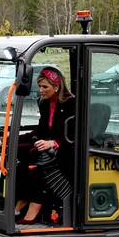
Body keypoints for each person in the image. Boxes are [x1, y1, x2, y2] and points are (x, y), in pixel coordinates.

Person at [15, 67, 75, 225]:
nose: (40, 90)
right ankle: (21, 200)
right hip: (47, 148)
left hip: (67, 150)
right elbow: (40, 130)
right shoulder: (44, 103)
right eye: (39, 86)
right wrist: (14, 139)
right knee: (17, 156)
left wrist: (54, 143)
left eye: (45, 87)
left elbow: (75, 134)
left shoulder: (72, 103)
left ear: (56, 87)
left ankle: (32, 207)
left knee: (39, 168)